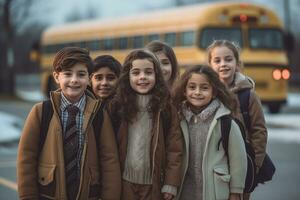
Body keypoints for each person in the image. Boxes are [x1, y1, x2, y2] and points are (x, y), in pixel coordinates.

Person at [17, 47, 121, 200]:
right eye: (67, 74)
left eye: (81, 74)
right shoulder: (41, 112)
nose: (74, 80)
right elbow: (26, 158)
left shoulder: (99, 115)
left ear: (89, 78)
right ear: (56, 77)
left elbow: (110, 161)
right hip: (48, 194)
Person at [109, 49, 183, 200]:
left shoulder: (166, 109)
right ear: (127, 77)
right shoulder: (118, 107)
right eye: (136, 73)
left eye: (148, 72)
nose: (142, 77)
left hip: (153, 183)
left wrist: (171, 182)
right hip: (125, 181)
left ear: (157, 76)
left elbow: (174, 149)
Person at [172, 65, 247, 200]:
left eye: (204, 88)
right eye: (192, 87)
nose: (198, 92)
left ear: (214, 92)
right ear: (184, 91)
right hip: (185, 192)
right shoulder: (179, 119)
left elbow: (238, 159)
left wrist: (236, 191)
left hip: (216, 191)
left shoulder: (225, 122)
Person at [207, 39, 268, 200]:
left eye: (228, 59)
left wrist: (255, 164)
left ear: (237, 62)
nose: (223, 64)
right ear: (210, 64)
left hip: (241, 166)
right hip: (212, 166)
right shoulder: (206, 94)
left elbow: (259, 131)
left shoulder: (248, 96)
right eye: (217, 60)